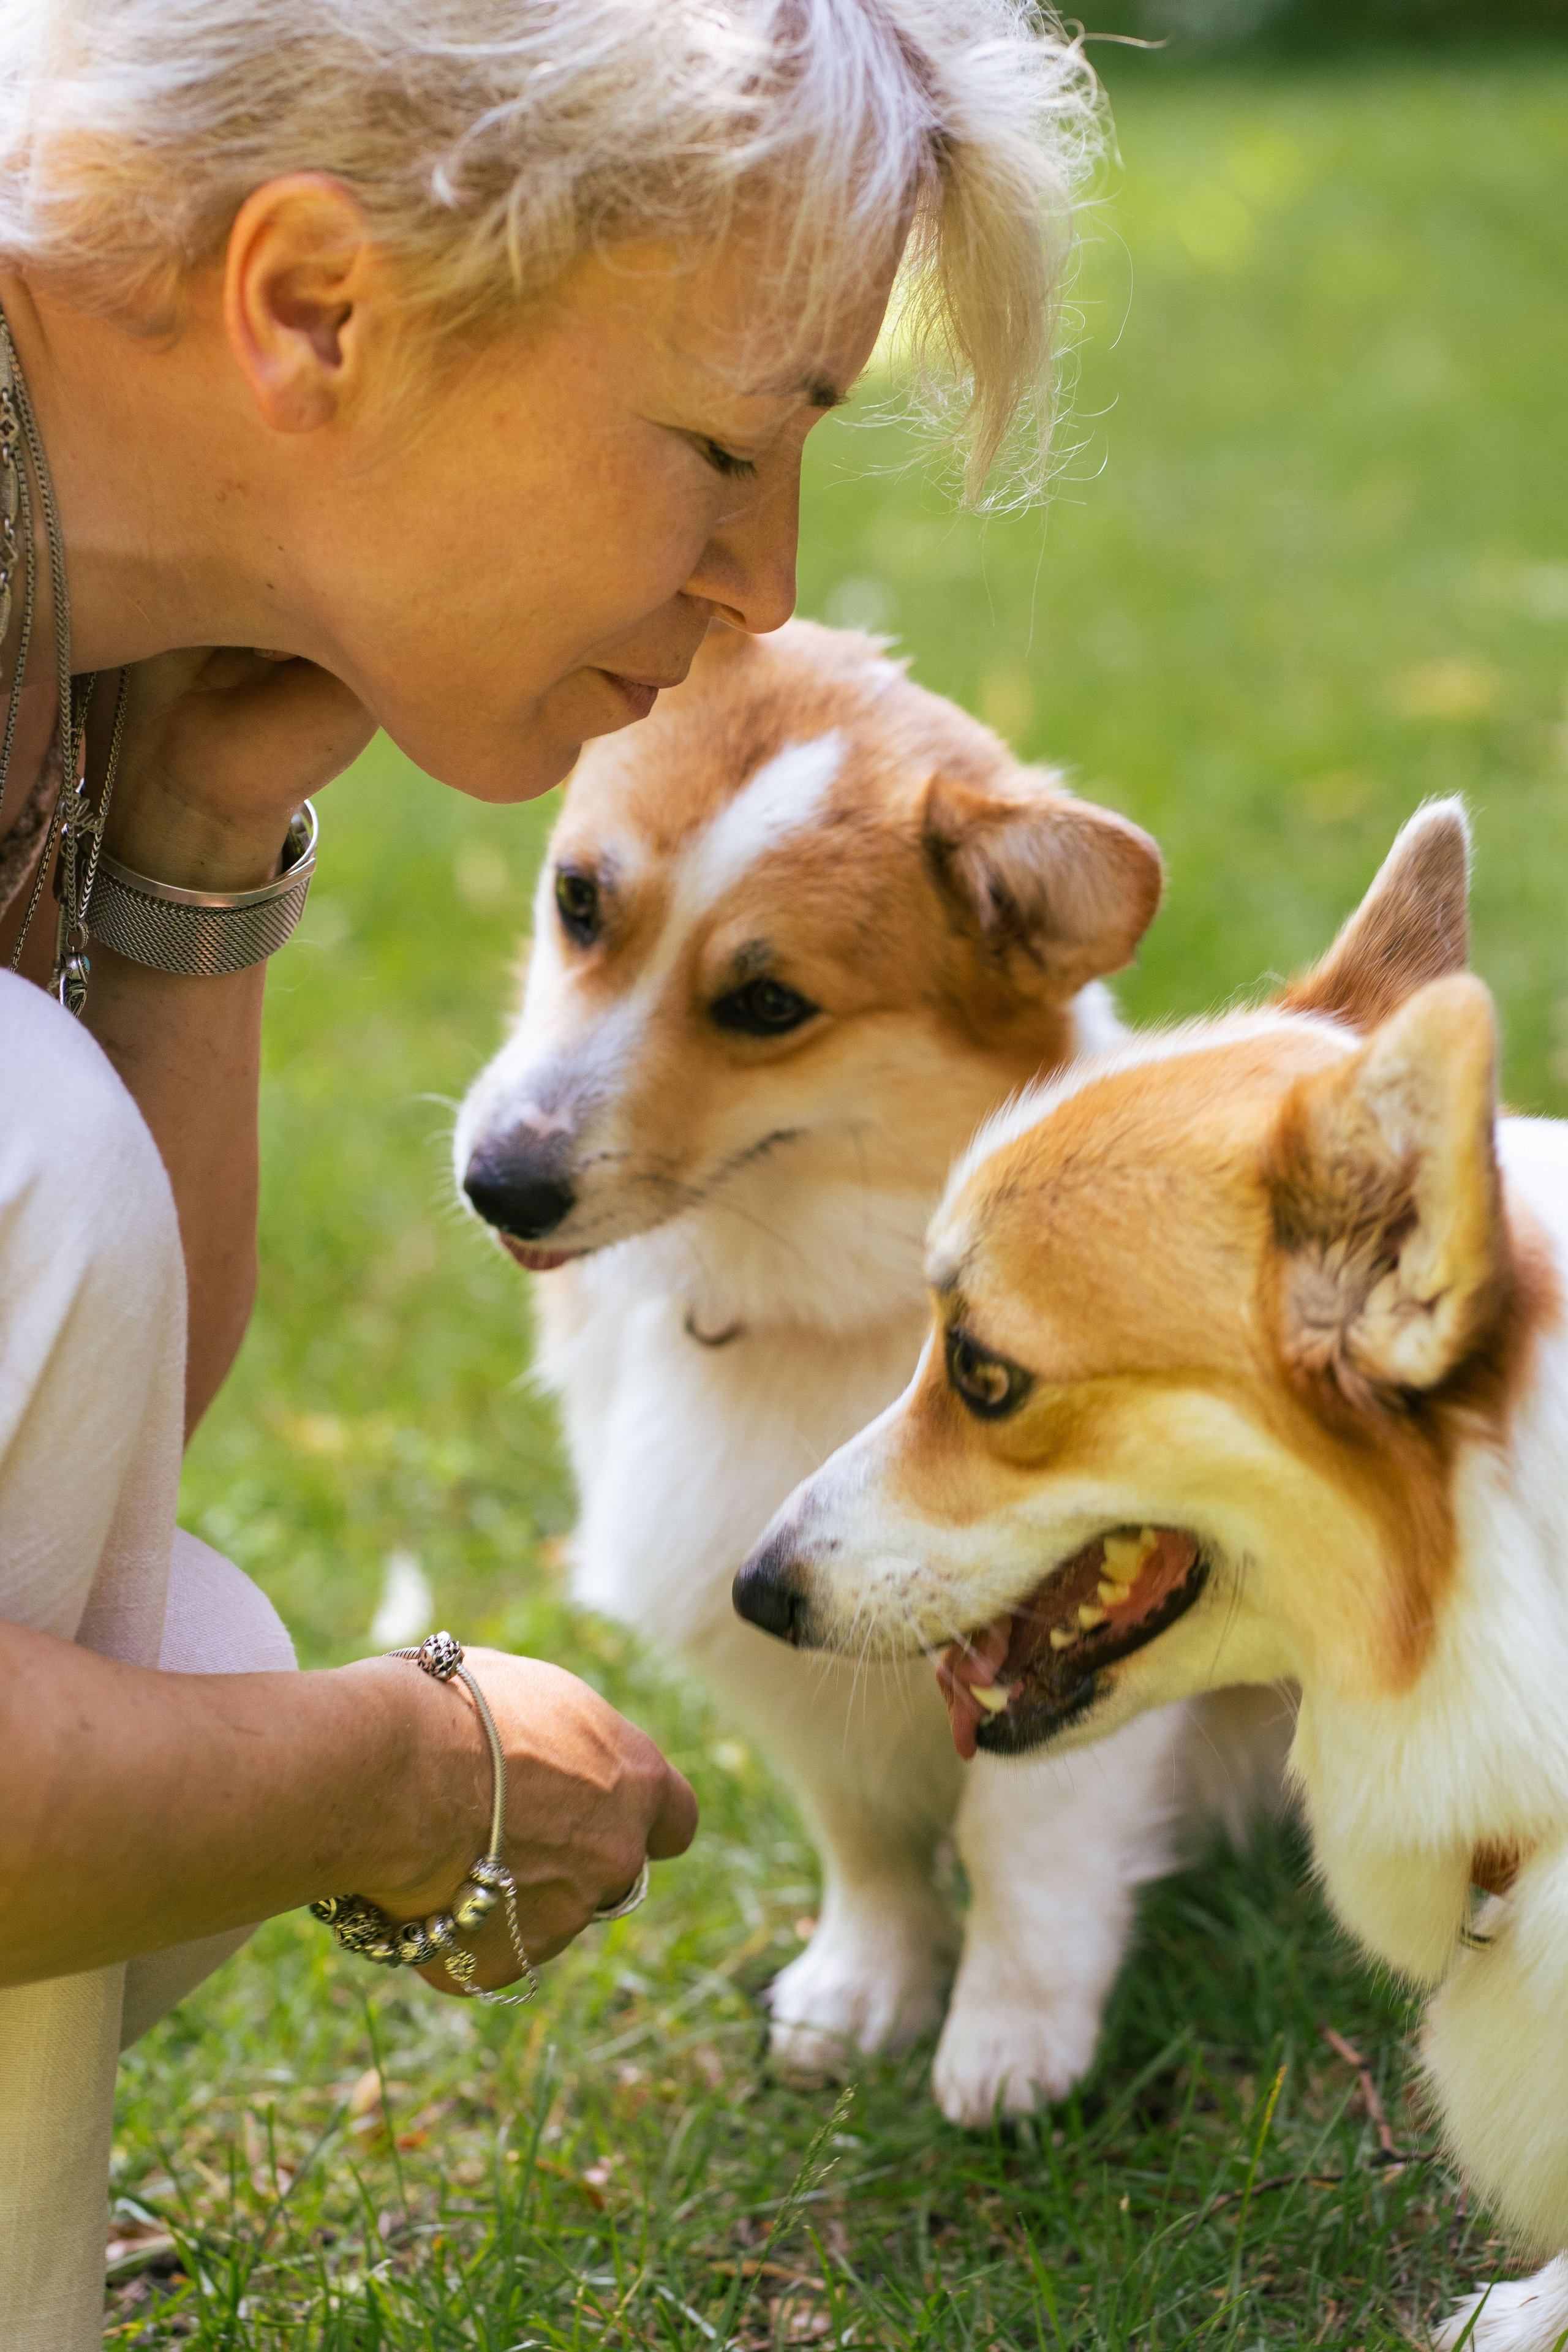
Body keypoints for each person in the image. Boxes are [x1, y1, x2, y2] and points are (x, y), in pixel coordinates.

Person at [0, 1, 1099, 2342]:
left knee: (170, 1651)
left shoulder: (84, 626)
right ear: (315, 307)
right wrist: (394, 1774)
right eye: (722, 444)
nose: (766, 591)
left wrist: (189, 844)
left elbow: (82, 1437)